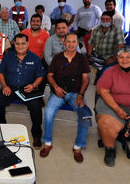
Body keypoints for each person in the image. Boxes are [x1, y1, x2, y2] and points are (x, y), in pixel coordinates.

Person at [40, 33, 90, 163]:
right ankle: (47, 143)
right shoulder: (57, 58)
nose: (71, 44)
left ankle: (78, 146)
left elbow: (86, 79)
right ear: (64, 43)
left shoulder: (82, 59)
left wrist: (81, 95)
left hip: (76, 94)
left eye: (74, 41)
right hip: (59, 93)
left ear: (77, 44)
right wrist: (55, 87)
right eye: (68, 41)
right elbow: (50, 75)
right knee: (48, 112)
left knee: (85, 116)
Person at [0, 33, 44, 148]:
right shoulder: (8, 56)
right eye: (17, 44)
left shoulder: (35, 58)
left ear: (28, 44)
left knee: (36, 108)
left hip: (27, 89)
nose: (20, 46)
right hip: (9, 87)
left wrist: (33, 85)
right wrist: (4, 85)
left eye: (23, 44)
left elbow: (40, 75)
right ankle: (2, 127)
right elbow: (0, 72)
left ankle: (36, 135)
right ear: (14, 44)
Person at [96, 46, 130, 167]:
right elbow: (103, 91)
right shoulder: (110, 71)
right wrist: (117, 109)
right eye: (121, 57)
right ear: (117, 58)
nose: (124, 60)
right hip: (111, 104)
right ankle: (110, 149)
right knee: (107, 124)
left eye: (128, 57)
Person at [87, 11, 124, 81]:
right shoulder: (96, 30)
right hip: (97, 56)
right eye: (103, 19)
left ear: (111, 20)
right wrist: (89, 55)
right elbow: (91, 43)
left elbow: (120, 45)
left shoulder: (117, 30)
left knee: (104, 76)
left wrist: (113, 58)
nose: (105, 21)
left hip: (111, 57)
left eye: (107, 19)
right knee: (82, 67)